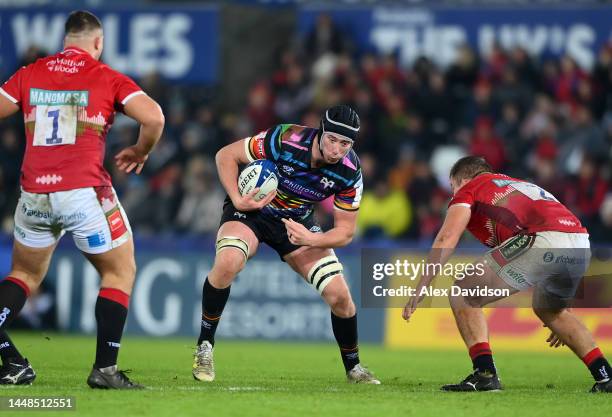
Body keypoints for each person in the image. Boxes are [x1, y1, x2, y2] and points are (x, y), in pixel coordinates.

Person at [0, 10, 164, 389]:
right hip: (81, 192)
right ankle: (105, 369)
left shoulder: (30, 73)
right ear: (98, 43)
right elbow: (154, 118)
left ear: (65, 40)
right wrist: (141, 151)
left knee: (23, 276)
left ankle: (11, 359)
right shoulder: (106, 76)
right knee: (119, 272)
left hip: (33, 194)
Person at [192, 105, 379, 384]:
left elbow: (345, 233)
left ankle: (354, 368)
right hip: (251, 210)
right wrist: (238, 198)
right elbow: (226, 155)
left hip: (296, 224)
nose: (337, 149)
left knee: (341, 297)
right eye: (332, 139)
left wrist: (312, 238)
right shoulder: (285, 138)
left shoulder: (350, 171)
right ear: (321, 131)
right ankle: (204, 347)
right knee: (229, 261)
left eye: (345, 143)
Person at [403, 156, 612, 393]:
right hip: (580, 241)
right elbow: (558, 229)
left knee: (464, 293)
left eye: (453, 187)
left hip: (542, 237)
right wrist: (562, 307)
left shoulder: (469, 189)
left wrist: (423, 284)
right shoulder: (519, 185)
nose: (453, 194)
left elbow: (446, 238)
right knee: (551, 310)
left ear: (462, 180)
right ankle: (606, 376)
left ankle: (485, 374)